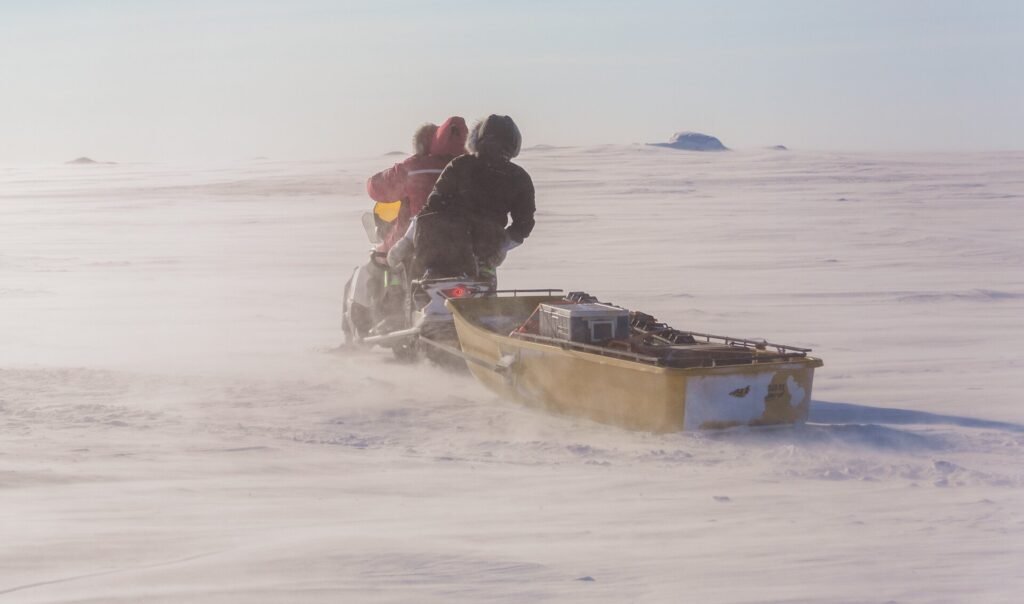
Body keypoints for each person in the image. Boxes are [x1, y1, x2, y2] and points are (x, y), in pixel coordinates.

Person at [344, 117, 467, 340]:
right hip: (465, 245)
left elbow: (377, 188)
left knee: (371, 268)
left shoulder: (415, 169)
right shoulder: (466, 168)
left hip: (417, 242)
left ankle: (359, 335)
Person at [399, 115, 535, 285]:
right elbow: (524, 224)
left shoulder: (460, 165)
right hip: (484, 253)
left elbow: (431, 206)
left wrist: (406, 241)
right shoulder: (519, 177)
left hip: (442, 249)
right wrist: (502, 246)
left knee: (420, 286)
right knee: (484, 301)